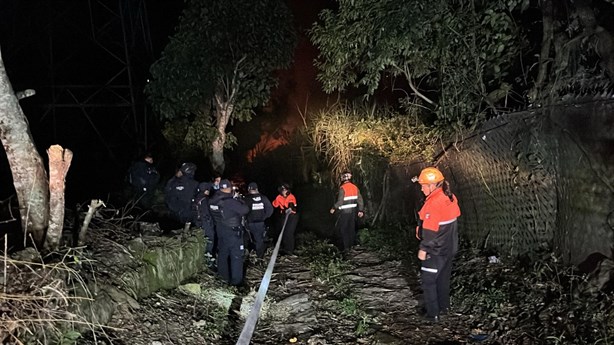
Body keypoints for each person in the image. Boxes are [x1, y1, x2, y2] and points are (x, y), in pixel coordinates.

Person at [414, 167, 461, 322]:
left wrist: (424, 249)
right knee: (442, 278)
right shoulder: (450, 197)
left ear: (432, 185)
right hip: (450, 247)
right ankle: (444, 307)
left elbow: (430, 231)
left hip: (435, 250)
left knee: (428, 281)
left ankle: (432, 314)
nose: (421, 188)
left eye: (423, 185)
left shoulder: (433, 204)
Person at [209, 179, 249, 286]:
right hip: (232, 232)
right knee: (236, 256)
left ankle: (223, 279)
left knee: (222, 254)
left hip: (220, 231)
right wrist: (240, 200)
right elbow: (245, 210)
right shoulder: (230, 202)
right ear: (229, 188)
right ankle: (236, 282)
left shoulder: (213, 200)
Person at [329, 171, 364, 254]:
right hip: (353, 212)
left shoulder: (342, 188)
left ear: (343, 179)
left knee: (343, 229)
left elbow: (340, 201)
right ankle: (351, 246)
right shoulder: (355, 187)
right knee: (351, 228)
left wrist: (334, 208)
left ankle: (345, 247)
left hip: (344, 212)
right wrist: (361, 210)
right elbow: (360, 200)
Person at [244, 182, 274, 259]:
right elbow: (270, 209)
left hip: (250, 222)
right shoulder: (263, 198)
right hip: (260, 222)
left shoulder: (247, 199)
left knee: (249, 238)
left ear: (249, 189)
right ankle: (259, 255)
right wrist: (264, 217)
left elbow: (243, 210)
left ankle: (254, 255)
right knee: (259, 239)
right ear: (257, 189)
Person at [272, 183, 298, 255]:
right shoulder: (279, 197)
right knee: (283, 232)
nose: (284, 191)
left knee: (289, 232)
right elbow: (275, 204)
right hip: (283, 215)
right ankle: (285, 248)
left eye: (285, 190)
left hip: (292, 216)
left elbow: (291, 204)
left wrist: (289, 208)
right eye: (282, 190)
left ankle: (290, 250)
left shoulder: (291, 196)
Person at [194, 182, 216, 267]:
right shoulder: (205, 200)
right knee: (209, 239)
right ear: (206, 190)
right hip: (206, 222)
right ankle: (208, 258)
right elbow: (207, 213)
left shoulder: (197, 198)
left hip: (198, 222)